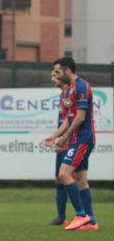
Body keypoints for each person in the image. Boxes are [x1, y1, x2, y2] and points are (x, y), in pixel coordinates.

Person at [45, 57, 98, 231]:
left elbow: (80, 118)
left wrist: (64, 138)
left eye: (58, 72)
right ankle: (92, 222)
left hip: (83, 138)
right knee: (81, 180)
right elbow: (68, 120)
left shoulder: (82, 86)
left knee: (63, 175)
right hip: (75, 139)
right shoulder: (67, 92)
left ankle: (81, 215)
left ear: (67, 70)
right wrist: (54, 136)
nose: (56, 76)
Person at [44, 70, 70, 226]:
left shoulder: (70, 93)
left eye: (55, 75)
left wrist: (62, 140)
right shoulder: (63, 95)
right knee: (59, 179)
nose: (52, 78)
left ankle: (84, 216)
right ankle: (61, 217)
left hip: (70, 142)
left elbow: (72, 121)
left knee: (76, 179)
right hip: (63, 142)